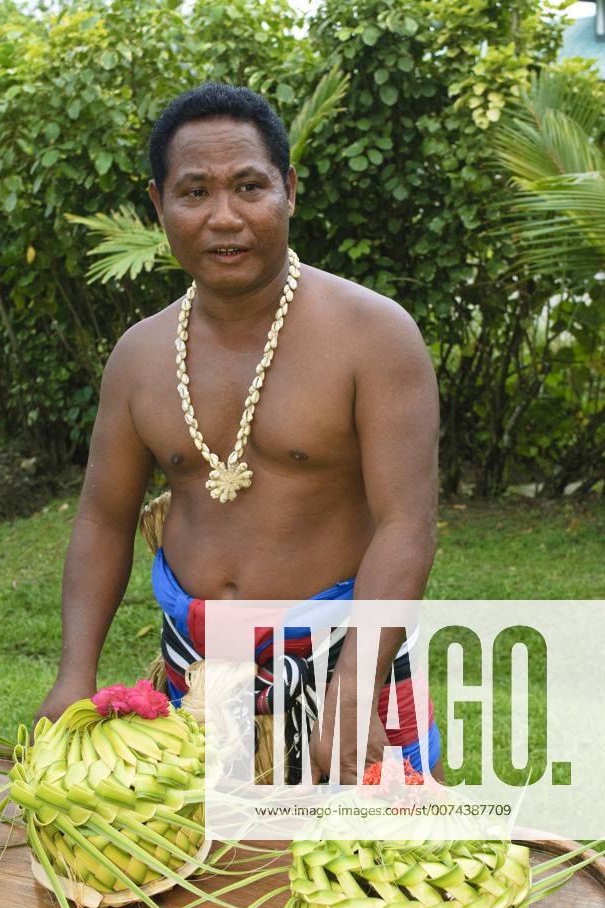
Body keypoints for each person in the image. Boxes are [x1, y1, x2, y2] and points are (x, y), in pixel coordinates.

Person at [34, 81, 442, 783]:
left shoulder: (375, 336)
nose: (225, 217)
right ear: (159, 204)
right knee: (186, 874)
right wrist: (75, 674)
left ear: (288, 189)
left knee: (369, 882)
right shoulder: (139, 357)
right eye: (195, 193)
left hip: (346, 659)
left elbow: (407, 525)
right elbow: (103, 518)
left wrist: (354, 684)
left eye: (249, 186)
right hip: (193, 673)